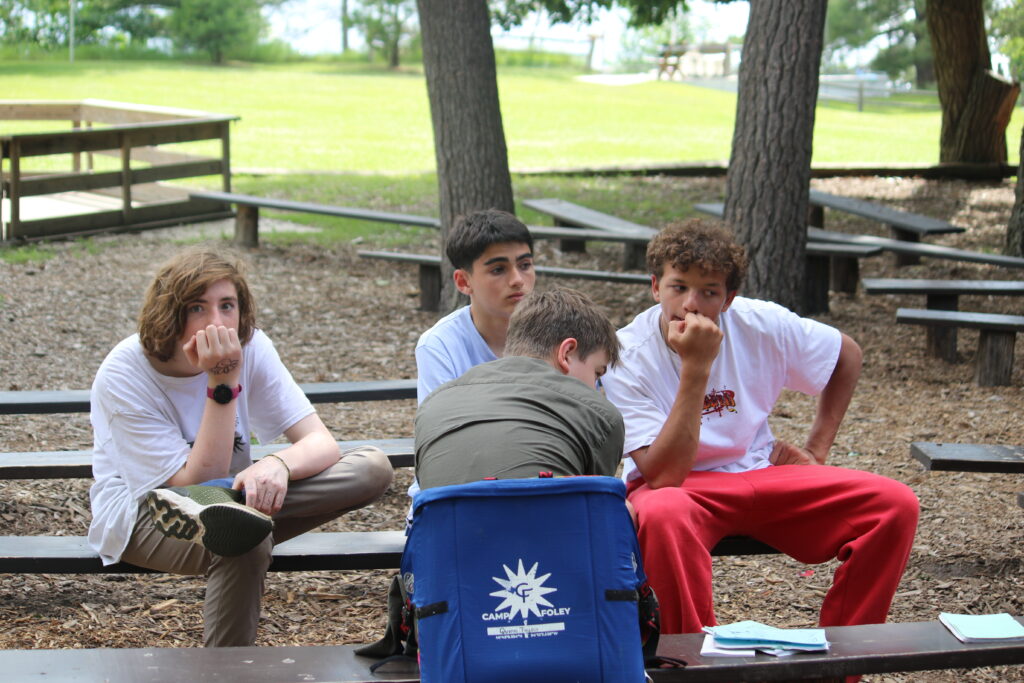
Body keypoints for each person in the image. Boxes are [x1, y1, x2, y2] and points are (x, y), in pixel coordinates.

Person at [600, 219, 919, 635]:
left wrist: (816, 450)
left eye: (709, 291)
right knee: (662, 514)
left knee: (894, 504)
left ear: (729, 298)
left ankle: (845, 653)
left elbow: (846, 355)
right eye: (679, 287)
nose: (691, 305)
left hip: (759, 470)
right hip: (678, 488)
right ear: (656, 287)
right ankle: (690, 659)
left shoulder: (761, 322)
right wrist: (697, 366)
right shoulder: (627, 354)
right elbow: (663, 475)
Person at [88, 246, 393, 647]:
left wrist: (278, 465)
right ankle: (227, 671)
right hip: (144, 513)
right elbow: (194, 482)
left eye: (227, 306)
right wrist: (222, 381)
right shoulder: (125, 372)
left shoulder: (251, 346)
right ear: (169, 314)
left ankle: (240, 516)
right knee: (243, 536)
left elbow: (320, 442)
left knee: (372, 468)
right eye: (198, 308)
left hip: (235, 498)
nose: (217, 322)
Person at [415, 287, 622, 489]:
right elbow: (596, 498)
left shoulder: (433, 405)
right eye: (597, 373)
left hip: (442, 513)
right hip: (546, 513)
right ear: (566, 353)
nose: (595, 389)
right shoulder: (599, 415)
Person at [407, 209, 536, 504]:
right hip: (459, 496)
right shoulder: (440, 345)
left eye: (525, 265)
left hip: (542, 488)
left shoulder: (558, 337)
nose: (518, 280)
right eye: (498, 270)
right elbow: (445, 444)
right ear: (464, 282)